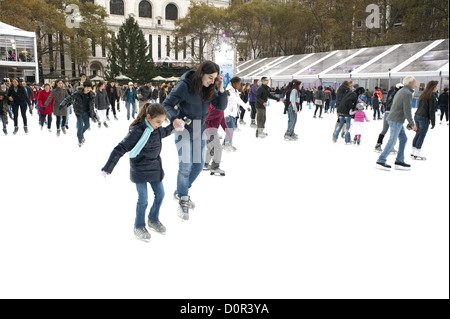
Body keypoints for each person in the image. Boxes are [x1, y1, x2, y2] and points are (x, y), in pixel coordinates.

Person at [162, 61, 227, 221]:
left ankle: (181, 190)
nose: (211, 81)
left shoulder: (211, 87)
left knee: (197, 166)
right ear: (201, 73)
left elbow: (221, 106)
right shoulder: (185, 86)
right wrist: (174, 119)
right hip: (183, 128)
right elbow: (166, 104)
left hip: (200, 129)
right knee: (185, 167)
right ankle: (183, 199)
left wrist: (220, 87)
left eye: (214, 78)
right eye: (209, 78)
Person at [101, 103, 173, 242]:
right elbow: (120, 148)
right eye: (158, 121)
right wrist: (108, 167)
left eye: (162, 121)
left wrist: (175, 125)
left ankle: (153, 219)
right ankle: (138, 226)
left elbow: (165, 132)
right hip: (139, 167)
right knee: (143, 199)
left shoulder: (157, 129)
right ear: (148, 117)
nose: (160, 124)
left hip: (155, 167)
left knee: (160, 194)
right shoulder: (138, 130)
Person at [376, 76, 418, 171]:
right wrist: (412, 124)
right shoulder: (407, 93)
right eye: (414, 82)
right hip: (396, 119)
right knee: (393, 140)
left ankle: (399, 160)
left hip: (396, 118)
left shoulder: (402, 91)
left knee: (403, 139)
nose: (415, 84)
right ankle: (381, 160)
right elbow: (407, 110)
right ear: (410, 83)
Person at [61, 81, 97, 147]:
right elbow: (69, 98)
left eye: (89, 87)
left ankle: (80, 134)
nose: (88, 89)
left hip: (86, 112)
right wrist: (63, 104)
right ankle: (80, 139)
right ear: (84, 87)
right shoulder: (78, 93)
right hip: (79, 111)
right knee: (80, 126)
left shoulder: (91, 95)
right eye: (87, 87)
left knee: (87, 125)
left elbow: (91, 107)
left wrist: (94, 115)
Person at [411, 80, 439, 160]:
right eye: (436, 86)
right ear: (433, 87)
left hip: (417, 115)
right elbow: (431, 110)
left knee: (418, 134)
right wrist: (433, 121)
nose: (437, 87)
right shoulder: (432, 95)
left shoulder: (424, 94)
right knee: (422, 135)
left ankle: (413, 152)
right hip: (424, 117)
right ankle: (417, 153)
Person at [374, 83, 404, 153]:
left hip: (387, 113)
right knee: (393, 131)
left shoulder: (391, 95)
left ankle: (378, 144)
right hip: (392, 114)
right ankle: (391, 147)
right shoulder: (398, 96)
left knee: (384, 130)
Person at [204, 105, 231, 175]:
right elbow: (207, 119)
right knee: (218, 148)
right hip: (211, 131)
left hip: (211, 131)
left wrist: (228, 132)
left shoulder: (221, 111)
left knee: (211, 149)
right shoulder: (216, 109)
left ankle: (205, 164)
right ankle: (215, 167)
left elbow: (223, 123)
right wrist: (208, 130)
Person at [224, 76, 247, 151]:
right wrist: (226, 114)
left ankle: (226, 143)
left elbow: (239, 100)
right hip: (228, 113)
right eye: (238, 84)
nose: (240, 86)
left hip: (233, 113)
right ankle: (227, 145)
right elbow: (225, 104)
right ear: (234, 83)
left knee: (231, 129)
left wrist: (246, 107)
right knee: (230, 129)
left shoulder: (235, 91)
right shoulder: (228, 91)